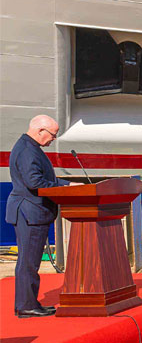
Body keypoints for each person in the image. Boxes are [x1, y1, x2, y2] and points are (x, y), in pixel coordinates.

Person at [6, 115, 82, 318]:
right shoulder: (27, 150)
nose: (53, 139)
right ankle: (26, 306)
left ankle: (29, 302)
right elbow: (35, 182)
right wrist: (67, 187)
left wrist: (65, 185)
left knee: (30, 261)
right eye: (52, 135)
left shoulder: (29, 147)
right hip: (30, 212)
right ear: (40, 130)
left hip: (31, 212)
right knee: (28, 262)